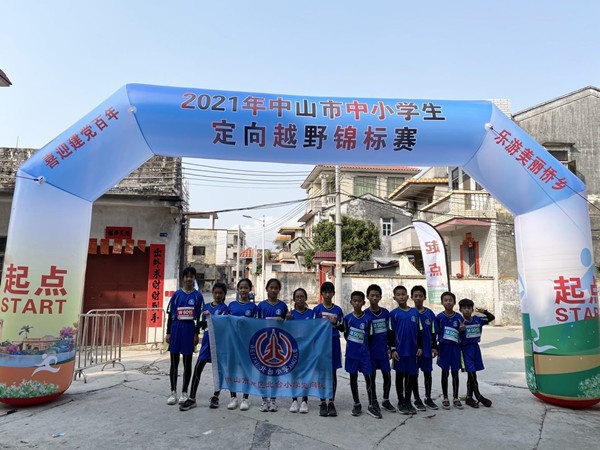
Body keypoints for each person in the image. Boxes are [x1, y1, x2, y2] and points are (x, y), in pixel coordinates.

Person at [179, 282, 230, 411]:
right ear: (212, 293)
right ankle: (192, 398)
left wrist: (210, 318)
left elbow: (223, 324)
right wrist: (196, 333)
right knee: (198, 368)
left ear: (224, 294)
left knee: (218, 371)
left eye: (220, 293)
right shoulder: (206, 307)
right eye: (215, 292)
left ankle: (216, 396)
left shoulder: (225, 309)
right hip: (207, 342)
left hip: (219, 344)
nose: (217, 295)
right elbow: (201, 324)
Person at [165, 266, 204, 406]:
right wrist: (168, 332)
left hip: (189, 329)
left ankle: (184, 392)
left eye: (191, 276)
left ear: (194, 278)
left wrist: (197, 334)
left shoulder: (198, 296)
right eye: (186, 276)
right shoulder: (176, 295)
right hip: (176, 328)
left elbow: (200, 317)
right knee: (174, 362)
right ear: (183, 278)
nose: (189, 279)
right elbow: (170, 314)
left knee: (187, 362)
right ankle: (173, 392)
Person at [344, 291, 380, 419]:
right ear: (351, 302)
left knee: (368, 378)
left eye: (359, 301)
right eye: (354, 301)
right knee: (353, 378)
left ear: (363, 302)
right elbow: (346, 335)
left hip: (365, 355)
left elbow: (370, 337)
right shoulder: (347, 318)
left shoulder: (368, 319)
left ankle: (371, 405)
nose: (357, 303)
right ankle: (356, 403)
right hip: (352, 354)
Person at [389, 285, 423, 415]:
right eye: (398, 295)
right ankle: (401, 401)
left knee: (411, 376)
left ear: (407, 296)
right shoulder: (393, 314)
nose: (401, 297)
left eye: (403, 294)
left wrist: (420, 347)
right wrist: (393, 349)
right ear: (394, 298)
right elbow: (390, 333)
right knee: (400, 376)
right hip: (399, 352)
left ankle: (408, 401)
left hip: (412, 351)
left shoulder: (415, 313)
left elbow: (420, 331)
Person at [256, 278, 288, 412]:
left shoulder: (283, 306)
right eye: (271, 288)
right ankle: (264, 400)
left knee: (275, 372)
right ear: (267, 289)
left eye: (276, 288)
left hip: (278, 343)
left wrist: (284, 320)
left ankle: (273, 400)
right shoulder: (261, 306)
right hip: (264, 344)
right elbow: (256, 323)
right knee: (263, 372)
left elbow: (288, 325)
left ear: (279, 290)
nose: (273, 290)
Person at [313, 281, 344, 417]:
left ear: (333, 294)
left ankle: (331, 401)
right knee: (321, 373)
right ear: (321, 294)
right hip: (321, 344)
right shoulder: (317, 310)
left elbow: (343, 328)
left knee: (332, 372)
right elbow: (312, 328)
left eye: (330, 292)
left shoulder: (338, 310)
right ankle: (322, 402)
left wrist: (335, 323)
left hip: (334, 343)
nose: (327, 294)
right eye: (325, 292)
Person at [226, 278, 257, 411]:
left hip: (247, 343)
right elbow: (225, 321)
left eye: (246, 288)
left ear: (250, 290)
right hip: (233, 342)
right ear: (238, 290)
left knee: (246, 370)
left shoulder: (254, 307)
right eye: (241, 288)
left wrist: (248, 322)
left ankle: (245, 398)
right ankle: (233, 397)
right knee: (232, 369)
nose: (243, 290)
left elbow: (257, 325)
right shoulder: (232, 305)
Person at [458, 298, 495, 408]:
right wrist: (460, 330)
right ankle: (478, 396)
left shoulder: (477, 320)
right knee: (471, 373)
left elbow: (491, 318)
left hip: (475, 348)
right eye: (464, 308)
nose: (467, 310)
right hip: (465, 349)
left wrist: (485, 312)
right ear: (460, 310)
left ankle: (469, 397)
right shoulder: (459, 321)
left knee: (473, 373)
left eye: (469, 308)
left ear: (472, 309)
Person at [364, 284, 395, 413]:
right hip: (370, 352)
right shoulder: (365, 314)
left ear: (380, 297)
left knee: (387, 376)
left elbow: (390, 332)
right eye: (372, 295)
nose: (374, 298)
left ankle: (386, 400)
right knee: (371, 378)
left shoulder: (386, 313)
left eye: (377, 296)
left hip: (383, 351)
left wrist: (391, 348)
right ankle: (373, 400)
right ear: (367, 297)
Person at [286, 287, 315, 414]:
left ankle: (304, 400)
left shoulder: (312, 314)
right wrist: (286, 320)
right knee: (294, 374)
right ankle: (294, 400)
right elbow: (285, 331)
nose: (299, 299)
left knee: (305, 374)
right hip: (294, 349)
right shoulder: (290, 315)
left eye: (302, 296)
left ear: (306, 298)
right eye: (297, 297)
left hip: (307, 349)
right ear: (294, 299)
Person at [410, 285, 439, 410]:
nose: (418, 298)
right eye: (415, 296)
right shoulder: (410, 313)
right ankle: (417, 399)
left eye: (420, 296)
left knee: (427, 373)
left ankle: (428, 397)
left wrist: (434, 347)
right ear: (411, 297)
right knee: (413, 374)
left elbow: (434, 332)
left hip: (427, 349)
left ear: (425, 297)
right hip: (413, 350)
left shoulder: (430, 314)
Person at [435, 291, 464, 410]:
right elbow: (435, 332)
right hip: (444, 348)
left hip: (456, 348)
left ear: (454, 302)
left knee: (455, 373)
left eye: (450, 300)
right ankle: (445, 397)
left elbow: (462, 333)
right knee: (445, 372)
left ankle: (456, 397)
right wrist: (435, 347)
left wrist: (462, 329)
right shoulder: (439, 317)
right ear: (442, 302)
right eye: (445, 300)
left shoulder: (459, 317)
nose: (448, 302)